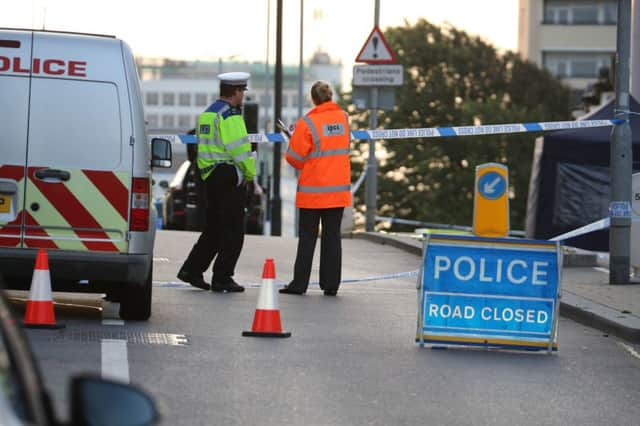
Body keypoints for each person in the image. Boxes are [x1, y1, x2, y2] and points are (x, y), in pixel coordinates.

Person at [177, 72, 256, 292]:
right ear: (237, 91)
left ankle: (191, 270)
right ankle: (222, 277)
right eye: (242, 92)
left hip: (209, 177)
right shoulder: (230, 115)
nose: (243, 96)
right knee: (233, 230)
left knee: (214, 228)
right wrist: (249, 174)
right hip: (228, 177)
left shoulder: (208, 114)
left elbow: (200, 148)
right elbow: (240, 149)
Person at [280, 81, 351, 296]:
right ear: (330, 96)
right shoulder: (344, 118)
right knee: (332, 237)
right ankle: (331, 285)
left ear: (313, 99)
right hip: (337, 191)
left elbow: (294, 159)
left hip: (313, 192)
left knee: (308, 238)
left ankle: (299, 284)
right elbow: (343, 147)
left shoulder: (307, 123)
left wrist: (292, 142)